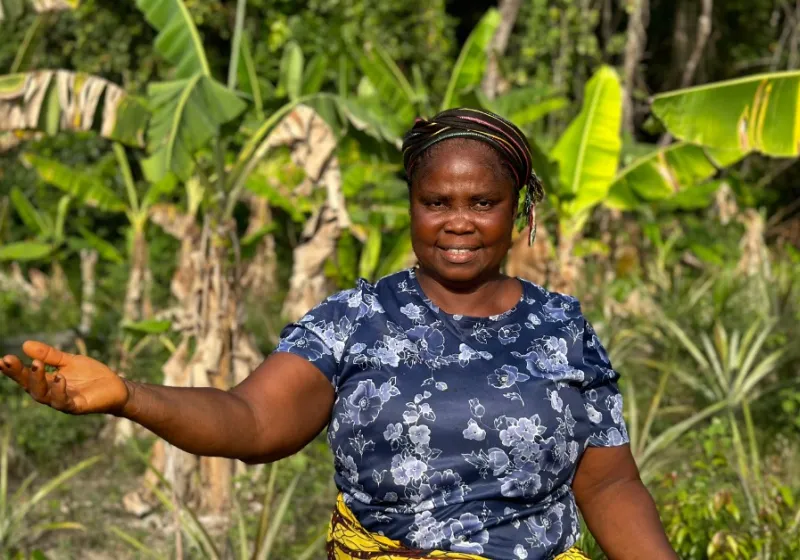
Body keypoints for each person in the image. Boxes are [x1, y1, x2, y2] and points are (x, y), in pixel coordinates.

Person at [0, 109, 678, 560]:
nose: (458, 222)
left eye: (483, 202)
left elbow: (609, 486)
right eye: (436, 202)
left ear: (517, 208)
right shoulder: (357, 319)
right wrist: (129, 395)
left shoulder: (560, 327)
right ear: (411, 206)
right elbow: (251, 421)